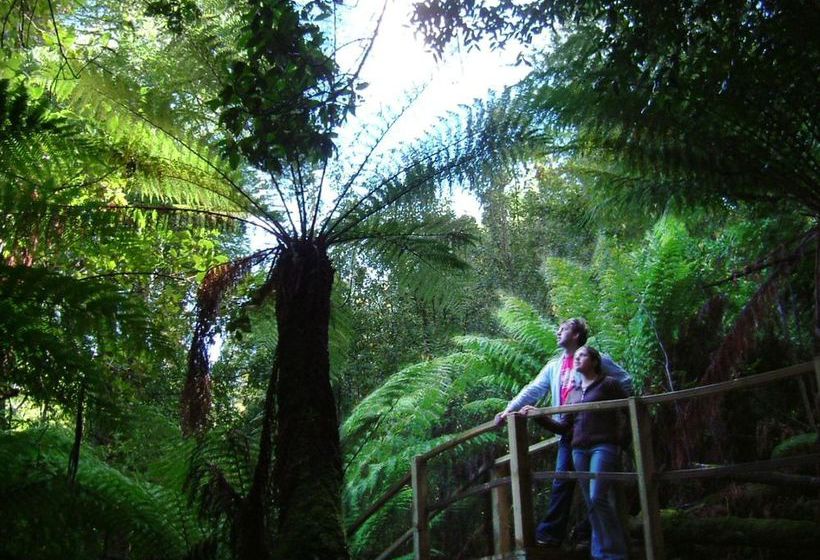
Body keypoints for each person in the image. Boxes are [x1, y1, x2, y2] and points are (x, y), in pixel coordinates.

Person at [494, 318, 631, 548]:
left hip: (597, 433)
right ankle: (553, 536)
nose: (557, 332)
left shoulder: (594, 358)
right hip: (569, 433)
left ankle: (590, 538)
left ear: (576, 334)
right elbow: (533, 389)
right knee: (564, 481)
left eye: (563, 328)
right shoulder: (554, 366)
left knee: (596, 487)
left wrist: (614, 414)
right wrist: (508, 410)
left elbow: (625, 382)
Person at [529, 345, 630, 560]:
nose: (577, 359)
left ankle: (615, 553)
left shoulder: (608, 384)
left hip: (603, 446)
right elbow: (564, 427)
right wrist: (539, 416)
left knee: (597, 497)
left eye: (582, 355)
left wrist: (623, 439)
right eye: (576, 357)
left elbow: (628, 408)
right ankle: (600, 552)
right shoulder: (573, 393)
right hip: (579, 450)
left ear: (594, 361)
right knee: (591, 501)